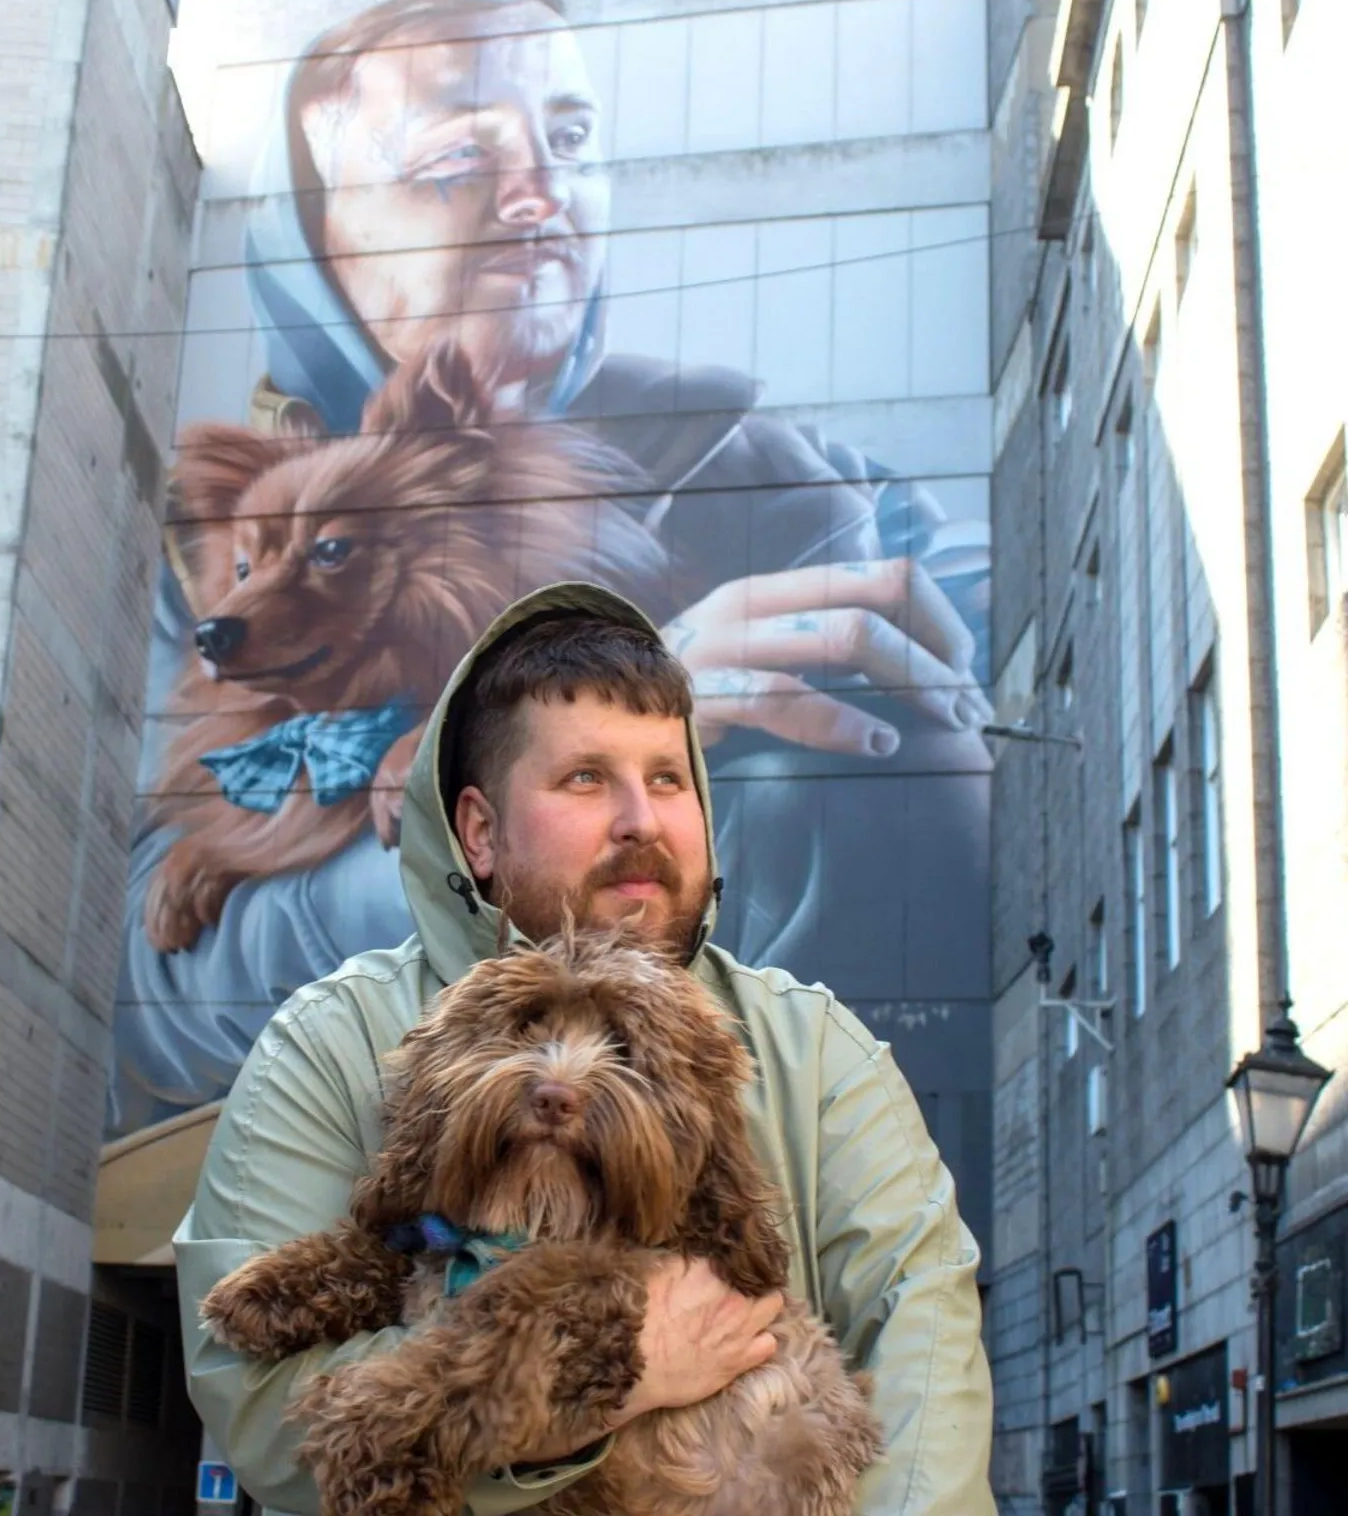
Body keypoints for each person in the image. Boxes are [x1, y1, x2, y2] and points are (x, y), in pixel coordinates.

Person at [111, 0, 992, 1134]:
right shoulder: (213, 557)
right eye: (457, 160)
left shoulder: (777, 460)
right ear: (320, 229)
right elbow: (161, 989)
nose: (537, 196)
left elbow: (997, 704)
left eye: (568, 142)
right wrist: (547, 791)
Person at [173, 582, 995, 1515]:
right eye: (586, 778)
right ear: (480, 832)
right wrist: (623, 1371)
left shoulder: (815, 1049)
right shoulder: (331, 1040)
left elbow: (922, 1336)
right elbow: (262, 1407)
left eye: (669, 779)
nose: (641, 819)